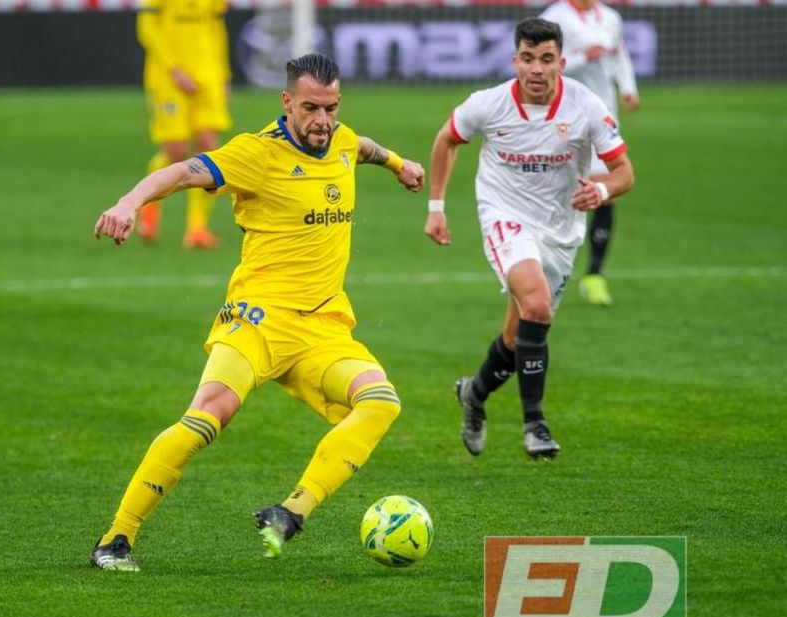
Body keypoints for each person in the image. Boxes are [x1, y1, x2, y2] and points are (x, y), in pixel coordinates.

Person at [90, 54, 425, 571]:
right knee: (206, 419)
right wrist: (129, 203)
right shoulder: (255, 154)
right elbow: (183, 171)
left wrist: (403, 166)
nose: (322, 120)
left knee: (381, 403)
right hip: (258, 319)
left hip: (323, 327)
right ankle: (116, 538)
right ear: (287, 101)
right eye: (311, 107)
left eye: (331, 107)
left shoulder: (340, 139)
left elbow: (363, 148)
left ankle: (290, 513)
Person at [424, 18, 634, 459]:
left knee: (519, 337)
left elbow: (624, 172)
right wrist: (437, 208)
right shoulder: (489, 103)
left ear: (561, 61)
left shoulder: (586, 105)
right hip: (505, 216)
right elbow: (447, 140)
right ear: (514, 59)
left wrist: (600, 189)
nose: (536, 69)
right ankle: (534, 423)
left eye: (546, 59)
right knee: (536, 304)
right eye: (527, 58)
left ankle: (474, 394)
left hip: (561, 228)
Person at [541, 0, 641, 306]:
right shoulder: (554, 18)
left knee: (604, 191)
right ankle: (539, 265)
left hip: (602, 115)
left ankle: (594, 276)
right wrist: (584, 56)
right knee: (554, 192)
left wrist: (628, 87)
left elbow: (619, 53)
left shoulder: (610, 17)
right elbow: (543, 65)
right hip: (561, 117)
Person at [134, 0, 232, 249]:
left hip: (207, 76)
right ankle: (148, 210)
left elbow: (216, 28)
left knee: (208, 148)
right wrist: (174, 69)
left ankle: (197, 229)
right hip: (169, 79)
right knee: (175, 152)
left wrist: (224, 74)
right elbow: (147, 27)